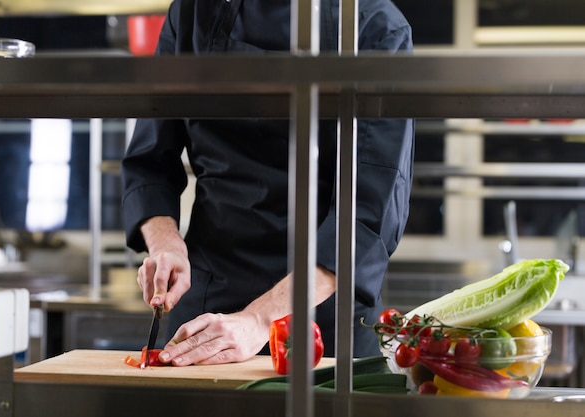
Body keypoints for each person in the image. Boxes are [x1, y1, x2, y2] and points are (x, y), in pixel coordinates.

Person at [121, 0, 414, 366]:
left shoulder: (375, 26)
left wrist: (260, 319)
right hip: (208, 305)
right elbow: (149, 161)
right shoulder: (194, 10)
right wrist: (167, 245)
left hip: (323, 318)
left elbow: (366, 219)